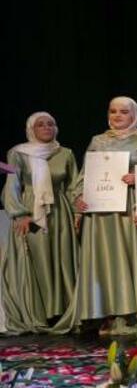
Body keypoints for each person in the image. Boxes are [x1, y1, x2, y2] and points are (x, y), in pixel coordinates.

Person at [57, 97, 137, 335]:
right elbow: (85, 173)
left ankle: (131, 316)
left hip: (128, 207)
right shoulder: (98, 141)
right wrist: (78, 199)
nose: (118, 116)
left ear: (134, 115)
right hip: (99, 210)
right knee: (103, 258)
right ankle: (105, 314)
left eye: (123, 112)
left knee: (130, 257)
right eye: (113, 111)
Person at [1, 112, 79, 333]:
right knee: (39, 259)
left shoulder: (65, 153)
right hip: (31, 212)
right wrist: (20, 213)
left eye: (51, 124)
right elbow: (12, 184)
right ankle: (40, 314)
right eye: (40, 125)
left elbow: (74, 185)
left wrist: (77, 213)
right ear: (30, 129)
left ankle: (62, 312)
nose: (46, 127)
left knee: (61, 259)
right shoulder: (18, 153)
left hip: (60, 212)